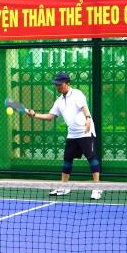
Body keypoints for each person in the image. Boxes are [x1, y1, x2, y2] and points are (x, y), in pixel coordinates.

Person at [24, 71, 102, 200]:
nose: (57, 87)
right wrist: (34, 115)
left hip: (85, 132)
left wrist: (88, 119)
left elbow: (84, 108)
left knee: (91, 158)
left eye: (60, 84)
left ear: (67, 83)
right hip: (72, 134)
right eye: (56, 84)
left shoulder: (77, 94)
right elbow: (50, 117)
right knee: (67, 160)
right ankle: (64, 186)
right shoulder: (59, 101)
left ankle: (97, 188)